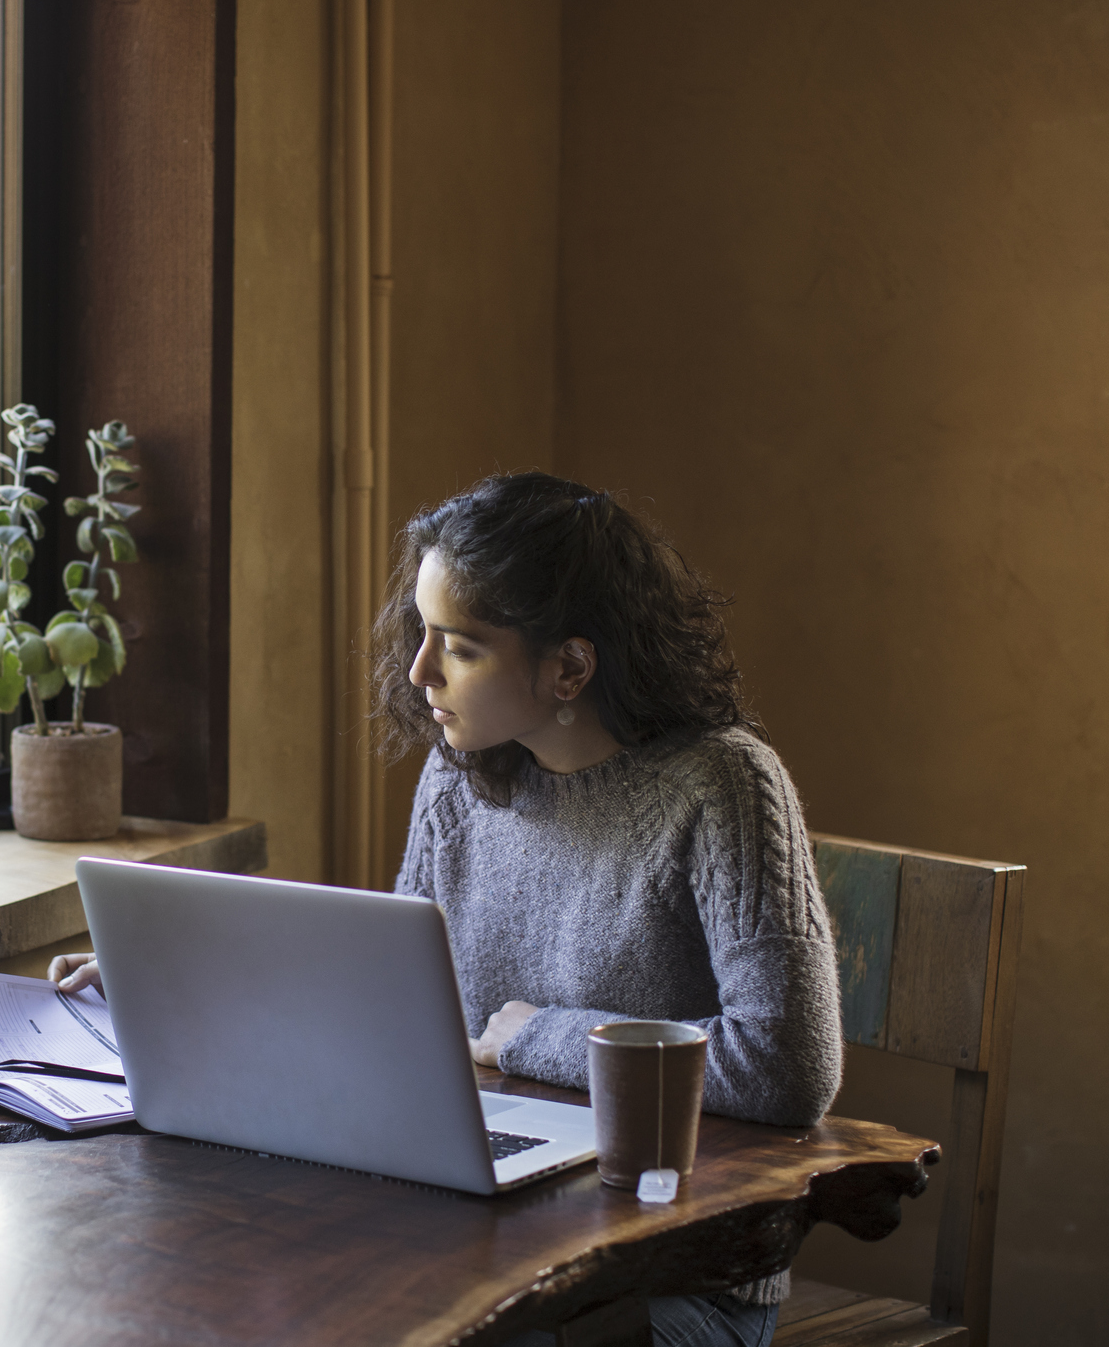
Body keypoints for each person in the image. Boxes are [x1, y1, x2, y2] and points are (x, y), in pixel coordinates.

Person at [54, 473, 841, 1347]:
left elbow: (786, 1069)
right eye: (421, 634)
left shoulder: (723, 786)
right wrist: (187, 980)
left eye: (459, 646)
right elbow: (400, 1005)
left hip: (674, 1280)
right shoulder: (461, 773)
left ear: (569, 666)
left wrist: (535, 1035)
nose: (419, 671)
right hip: (493, 1236)